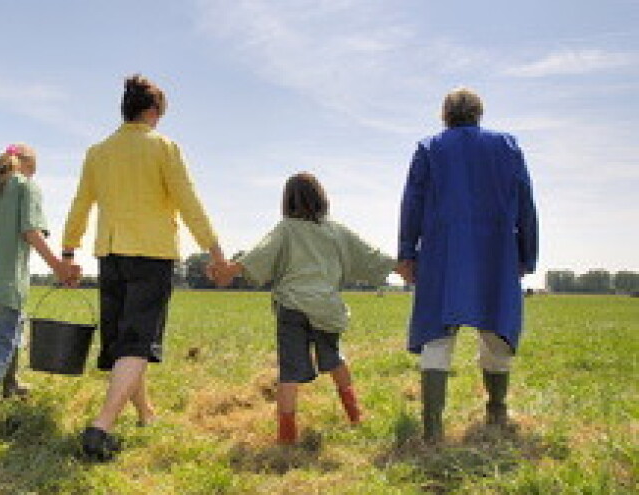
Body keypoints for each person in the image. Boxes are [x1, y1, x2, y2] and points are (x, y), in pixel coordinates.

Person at [62, 74, 225, 461]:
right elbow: (189, 202)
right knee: (136, 344)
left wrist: (69, 254)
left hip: (111, 254)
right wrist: (216, 253)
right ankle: (101, 428)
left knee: (124, 343)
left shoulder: (98, 152)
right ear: (152, 112)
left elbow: (80, 204)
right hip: (151, 255)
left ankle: (146, 414)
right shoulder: (164, 148)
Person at [395, 88, 539, 443]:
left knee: (437, 336)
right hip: (496, 251)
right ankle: (496, 412)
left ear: (444, 114)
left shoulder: (429, 149)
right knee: (496, 332)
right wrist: (526, 254)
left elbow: (411, 204)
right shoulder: (507, 146)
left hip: (443, 251)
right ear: (479, 113)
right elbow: (526, 204)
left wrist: (406, 252)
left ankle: (433, 429)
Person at [210, 172, 362, 445]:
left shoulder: (286, 229)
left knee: (289, 372)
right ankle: (355, 416)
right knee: (334, 358)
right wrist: (401, 266)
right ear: (321, 199)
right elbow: (368, 254)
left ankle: (287, 437)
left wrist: (231, 269)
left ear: (287, 201)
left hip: (292, 307)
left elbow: (261, 253)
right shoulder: (336, 231)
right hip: (326, 309)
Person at [0, 143, 80, 413]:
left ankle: (10, 387)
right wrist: (59, 266)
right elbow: (31, 232)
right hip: (9, 279)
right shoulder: (26, 186)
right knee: (2, 339)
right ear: (30, 166)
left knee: (11, 328)